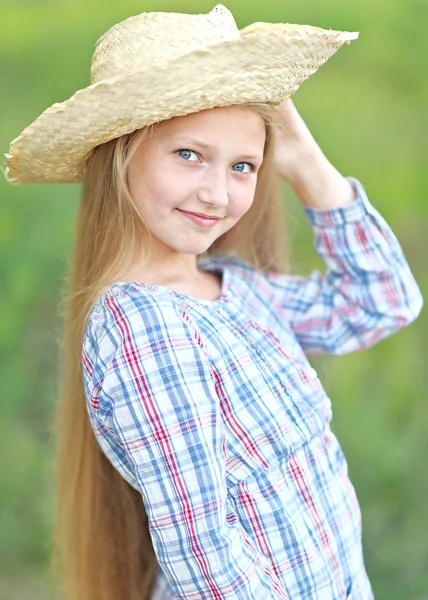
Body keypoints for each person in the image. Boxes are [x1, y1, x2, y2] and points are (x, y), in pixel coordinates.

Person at [4, 4, 423, 600]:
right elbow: (206, 560)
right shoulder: (147, 328)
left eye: (243, 165)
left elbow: (382, 301)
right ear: (120, 153)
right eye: (188, 155)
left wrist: (304, 162)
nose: (217, 194)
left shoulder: (233, 289)